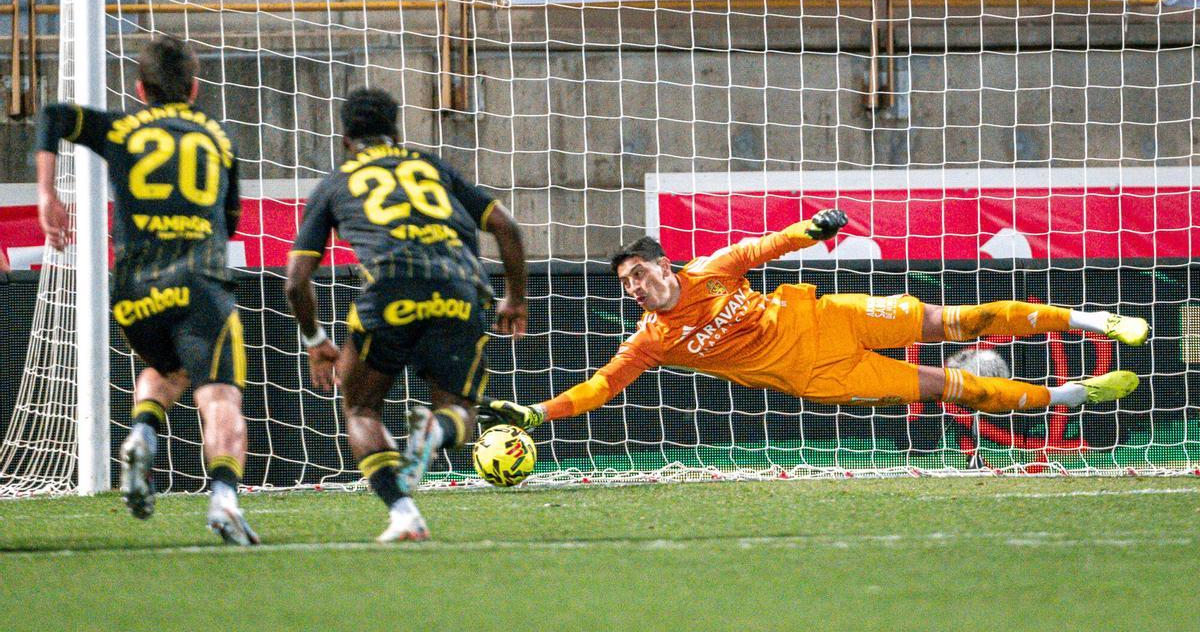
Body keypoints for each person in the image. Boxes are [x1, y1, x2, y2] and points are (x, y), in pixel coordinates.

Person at [480, 210, 1146, 431]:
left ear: (661, 263)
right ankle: (1075, 393)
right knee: (951, 389)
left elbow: (765, 246)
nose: (634, 289)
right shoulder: (653, 341)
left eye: (637, 275)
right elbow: (600, 387)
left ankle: (1097, 320)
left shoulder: (711, 269)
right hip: (823, 373)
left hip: (836, 318)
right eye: (626, 286)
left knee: (964, 322)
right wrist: (539, 414)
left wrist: (813, 228)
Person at [36, 35, 258, 545]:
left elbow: (52, 113)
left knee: (166, 370)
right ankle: (224, 500)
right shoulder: (219, 137)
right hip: (199, 282)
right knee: (219, 395)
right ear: (195, 88)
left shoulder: (122, 127)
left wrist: (48, 192)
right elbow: (233, 220)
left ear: (140, 88)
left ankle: (143, 432)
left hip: (134, 288)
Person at [285, 87, 527, 543]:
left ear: (344, 139)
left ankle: (403, 511)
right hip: (461, 289)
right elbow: (506, 227)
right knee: (458, 409)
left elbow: (295, 281)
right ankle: (434, 430)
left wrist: (316, 341)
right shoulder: (431, 166)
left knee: (360, 408)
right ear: (396, 132)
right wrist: (514, 298)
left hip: (390, 291)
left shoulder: (335, 183)